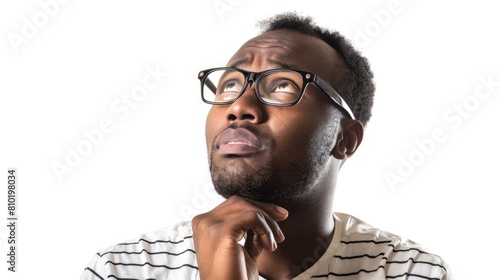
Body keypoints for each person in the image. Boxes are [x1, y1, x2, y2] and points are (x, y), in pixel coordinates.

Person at [80, 12, 452, 280]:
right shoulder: (125, 269)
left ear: (345, 139)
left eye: (282, 86)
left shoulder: (406, 271)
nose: (239, 106)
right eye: (229, 84)